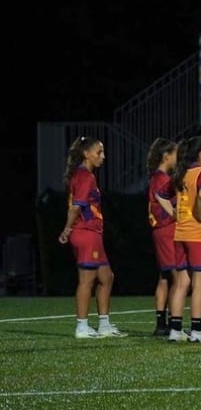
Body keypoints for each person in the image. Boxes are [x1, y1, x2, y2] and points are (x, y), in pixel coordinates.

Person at [58, 136, 126, 339]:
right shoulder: (86, 176)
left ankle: (104, 325)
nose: (103, 157)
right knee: (87, 280)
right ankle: (82, 326)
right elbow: (76, 207)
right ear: (86, 154)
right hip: (86, 233)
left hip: (92, 234)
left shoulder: (82, 175)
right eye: (99, 152)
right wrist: (67, 230)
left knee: (106, 277)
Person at [168, 136, 201, 343]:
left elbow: (161, 195)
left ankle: (175, 330)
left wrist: (174, 214)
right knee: (199, 286)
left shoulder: (181, 175)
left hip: (181, 233)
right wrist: (199, 215)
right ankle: (197, 332)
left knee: (181, 284)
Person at [147, 138, 179, 337]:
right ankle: (174, 324)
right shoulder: (162, 179)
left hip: (161, 231)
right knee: (177, 277)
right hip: (167, 231)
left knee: (165, 277)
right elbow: (166, 206)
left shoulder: (157, 178)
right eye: (175, 154)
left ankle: (162, 323)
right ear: (166, 156)